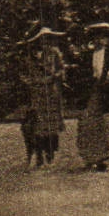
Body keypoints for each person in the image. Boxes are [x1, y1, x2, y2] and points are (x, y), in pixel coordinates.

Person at [75, 22, 109, 172]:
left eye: (103, 37)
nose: (100, 40)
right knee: (88, 124)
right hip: (91, 93)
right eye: (97, 37)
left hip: (107, 94)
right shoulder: (87, 56)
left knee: (106, 124)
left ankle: (103, 158)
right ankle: (89, 158)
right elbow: (81, 75)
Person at [17, 26, 66, 168]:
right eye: (42, 39)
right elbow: (22, 74)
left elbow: (61, 70)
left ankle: (49, 153)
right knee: (37, 125)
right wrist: (31, 82)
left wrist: (53, 77)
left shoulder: (55, 53)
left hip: (51, 92)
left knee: (51, 125)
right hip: (36, 94)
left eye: (48, 38)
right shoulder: (29, 56)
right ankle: (38, 155)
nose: (45, 41)